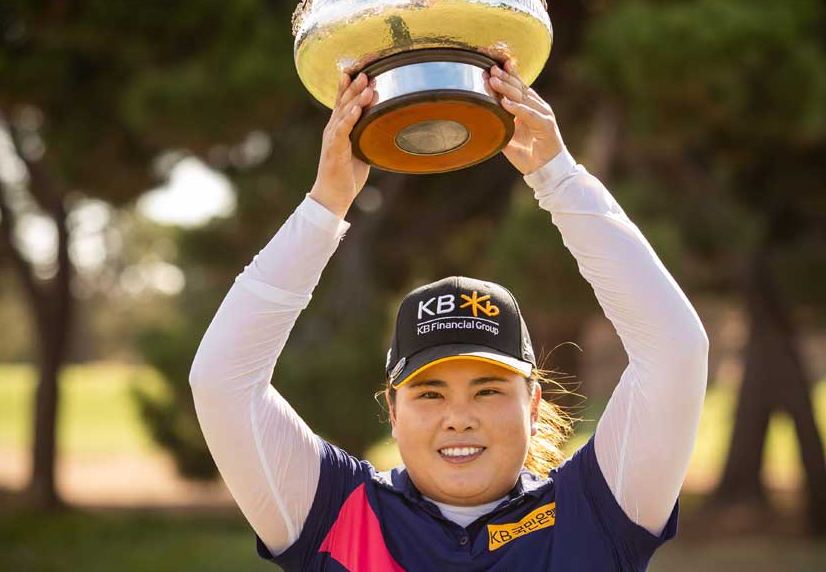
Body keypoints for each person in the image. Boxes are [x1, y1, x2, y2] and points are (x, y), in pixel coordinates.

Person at [189, 61, 709, 571]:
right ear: (393, 411)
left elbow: (675, 350)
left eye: (487, 390)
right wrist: (325, 206)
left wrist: (558, 178)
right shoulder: (335, 514)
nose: (458, 417)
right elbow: (221, 383)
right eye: (430, 392)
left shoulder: (596, 511)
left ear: (532, 405)